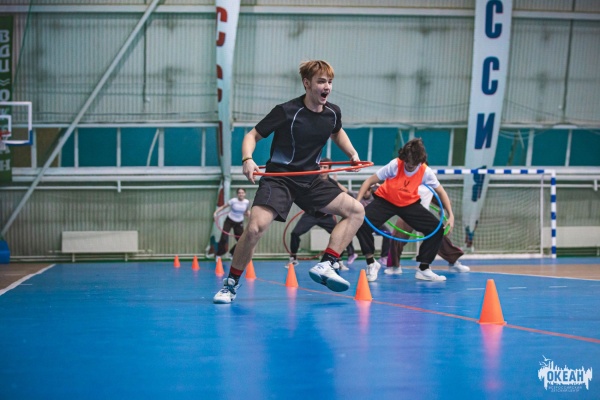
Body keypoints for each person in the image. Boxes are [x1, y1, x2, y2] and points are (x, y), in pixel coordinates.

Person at [214, 60, 365, 304]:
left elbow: (336, 131)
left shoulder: (332, 112)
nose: (327, 86)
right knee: (254, 229)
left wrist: (352, 153)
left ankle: (328, 263)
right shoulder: (286, 111)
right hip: (280, 179)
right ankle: (230, 284)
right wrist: (247, 159)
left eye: (329, 82)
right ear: (307, 83)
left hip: (311, 179)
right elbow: (252, 135)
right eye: (321, 81)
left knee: (356, 211)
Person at [355, 137, 454, 283]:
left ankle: (424, 268)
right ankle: (371, 263)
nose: (410, 166)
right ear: (404, 158)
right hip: (386, 200)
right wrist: (356, 204)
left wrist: (451, 215)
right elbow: (369, 181)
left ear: (420, 161)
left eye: (413, 165)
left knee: (437, 229)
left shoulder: (425, 171)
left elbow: (441, 192)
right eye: (407, 163)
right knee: (359, 222)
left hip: (409, 204)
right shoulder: (395, 164)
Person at [286, 158, 356, 271]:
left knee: (341, 234)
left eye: (325, 167)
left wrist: (338, 184)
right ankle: (293, 258)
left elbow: (348, 195)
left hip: (326, 217)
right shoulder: (312, 179)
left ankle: (339, 260)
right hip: (311, 214)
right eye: (321, 166)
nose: (322, 169)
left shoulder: (333, 183)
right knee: (295, 233)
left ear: (329, 169)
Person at [384, 185, 470, 275]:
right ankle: (394, 266)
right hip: (407, 212)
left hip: (423, 215)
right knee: (396, 237)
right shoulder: (404, 180)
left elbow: (439, 196)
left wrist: (443, 208)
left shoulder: (429, 181)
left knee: (438, 236)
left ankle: (454, 263)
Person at [213, 188, 251, 259]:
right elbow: (223, 207)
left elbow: (246, 211)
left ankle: (232, 253)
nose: (241, 194)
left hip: (239, 222)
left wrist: (250, 216)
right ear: (237, 194)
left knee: (241, 241)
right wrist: (215, 213)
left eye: (242, 193)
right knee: (223, 238)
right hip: (229, 220)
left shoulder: (247, 202)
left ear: (245, 194)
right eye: (239, 193)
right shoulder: (233, 201)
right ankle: (219, 255)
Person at [357, 183, 391, 265]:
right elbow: (345, 190)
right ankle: (351, 255)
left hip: (375, 223)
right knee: (347, 233)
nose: (364, 193)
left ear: (370, 191)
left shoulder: (375, 197)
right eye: (363, 191)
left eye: (366, 191)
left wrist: (380, 186)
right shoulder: (357, 196)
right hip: (363, 223)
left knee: (388, 234)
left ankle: (384, 256)